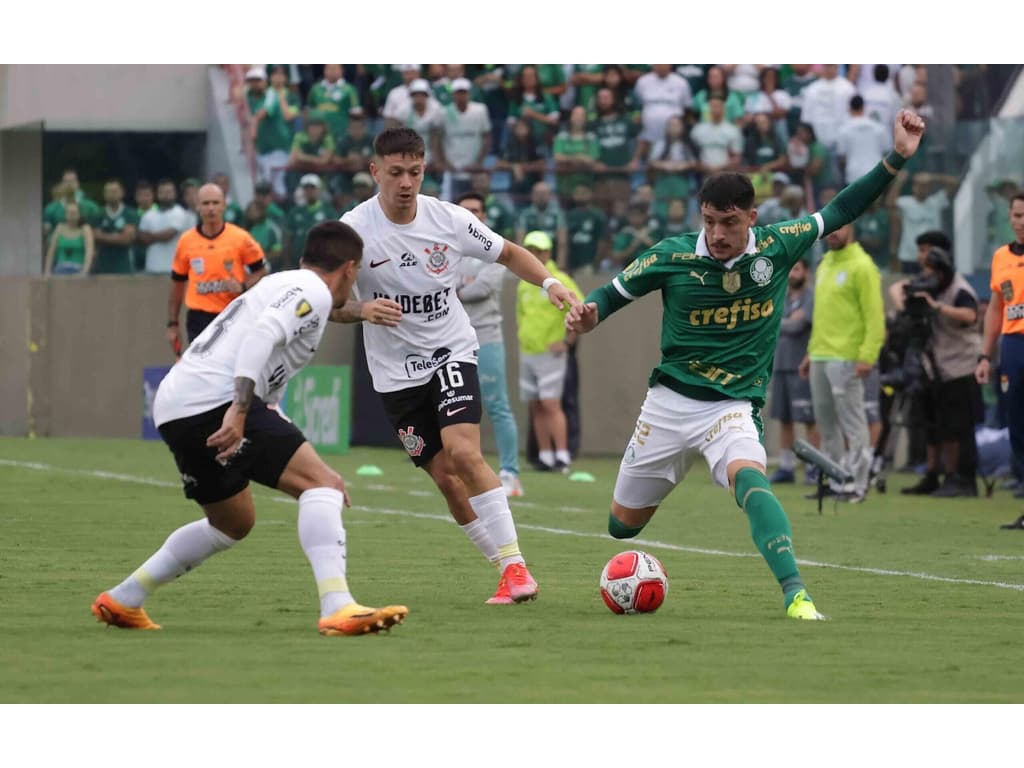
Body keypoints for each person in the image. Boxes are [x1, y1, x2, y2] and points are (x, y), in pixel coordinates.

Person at [566, 109, 926, 621]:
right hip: (668, 404)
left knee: (750, 477)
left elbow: (842, 208)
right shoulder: (672, 256)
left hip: (732, 406)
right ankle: (667, 476)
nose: (717, 233)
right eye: (709, 221)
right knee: (621, 528)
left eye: (729, 222)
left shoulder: (778, 246)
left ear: (751, 218)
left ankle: (796, 594)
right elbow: (611, 294)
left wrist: (897, 158)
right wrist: (589, 314)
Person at [91, 221, 408, 636]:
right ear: (351, 269)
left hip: (176, 403)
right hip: (217, 401)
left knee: (231, 523)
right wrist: (239, 411)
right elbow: (261, 337)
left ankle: (124, 599)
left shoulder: (286, 284)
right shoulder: (312, 291)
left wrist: (361, 311)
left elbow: (308, 320)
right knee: (323, 487)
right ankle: (338, 606)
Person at [335, 127, 580, 604]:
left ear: (425, 170)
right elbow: (325, 301)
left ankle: (517, 568)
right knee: (446, 477)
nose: (406, 183)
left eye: (415, 172)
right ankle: (504, 569)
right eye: (395, 173)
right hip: (393, 373)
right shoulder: (353, 231)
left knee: (465, 455)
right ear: (375, 172)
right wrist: (361, 310)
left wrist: (550, 285)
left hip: (451, 350)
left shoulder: (448, 220)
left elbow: (509, 253)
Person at [799, 222, 885, 503]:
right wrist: (810, 353)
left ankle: (857, 484)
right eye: (830, 227)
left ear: (852, 226)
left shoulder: (863, 266)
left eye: (839, 226)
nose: (833, 232)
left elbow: (874, 317)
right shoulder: (825, 264)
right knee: (826, 425)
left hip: (847, 357)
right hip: (821, 355)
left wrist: (867, 355)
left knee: (853, 422)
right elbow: (823, 315)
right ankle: (836, 481)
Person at [887, 244, 982, 497]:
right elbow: (896, 289)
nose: (928, 277)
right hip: (934, 365)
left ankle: (959, 478)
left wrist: (936, 306)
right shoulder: (927, 285)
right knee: (933, 424)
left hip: (961, 366)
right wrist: (905, 301)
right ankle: (932, 475)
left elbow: (970, 315)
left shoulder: (960, 289)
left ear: (943, 271)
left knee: (956, 426)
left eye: (932, 272)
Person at [455, 191, 523, 497]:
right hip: (452, 337)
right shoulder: (446, 248)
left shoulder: (494, 248)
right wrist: (459, 286)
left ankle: (510, 473)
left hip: (485, 335)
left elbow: (481, 289)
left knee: (497, 405)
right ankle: (464, 470)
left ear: (484, 215)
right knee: (454, 407)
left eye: (477, 210)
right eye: (466, 209)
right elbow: (440, 284)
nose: (472, 214)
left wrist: (457, 286)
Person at [167, 183, 268, 355]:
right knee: (202, 369)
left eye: (215, 203)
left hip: (233, 313)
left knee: (231, 367)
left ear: (223, 205)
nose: (211, 208)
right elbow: (177, 285)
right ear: (198, 206)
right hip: (199, 317)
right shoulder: (186, 241)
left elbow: (261, 272)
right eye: (206, 203)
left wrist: (243, 286)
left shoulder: (240, 238)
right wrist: (172, 324)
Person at [977, 190, 1024, 529]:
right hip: (1012, 345)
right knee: (1017, 426)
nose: (1021, 222)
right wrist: (984, 354)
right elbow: (996, 308)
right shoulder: (1001, 257)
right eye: (1017, 215)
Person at [518, 230, 582, 473]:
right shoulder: (523, 281)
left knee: (551, 404)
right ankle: (545, 455)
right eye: (531, 250)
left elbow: (579, 308)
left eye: (540, 250)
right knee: (536, 404)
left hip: (551, 352)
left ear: (548, 252)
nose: (536, 255)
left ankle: (562, 455)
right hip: (528, 351)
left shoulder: (560, 279)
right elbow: (520, 315)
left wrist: (568, 342)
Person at [768, 256, 820, 484]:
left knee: (808, 418)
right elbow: (770, 322)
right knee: (784, 418)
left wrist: (781, 321)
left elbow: (798, 325)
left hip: (801, 367)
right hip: (779, 365)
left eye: (797, 269)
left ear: (806, 272)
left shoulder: (811, 297)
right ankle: (786, 467)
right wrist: (786, 320)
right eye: (790, 269)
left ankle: (813, 467)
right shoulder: (781, 297)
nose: (792, 274)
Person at [93, 180, 139, 275]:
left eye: (114, 191)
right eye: (108, 192)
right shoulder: (98, 214)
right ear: (104, 194)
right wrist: (118, 236)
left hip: (124, 266)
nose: (111, 194)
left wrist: (103, 236)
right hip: (102, 266)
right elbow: (95, 237)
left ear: (122, 193)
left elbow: (127, 240)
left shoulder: (130, 214)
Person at [43, 201, 94, 276]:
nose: (71, 216)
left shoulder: (85, 229)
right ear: (65, 214)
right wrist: (47, 272)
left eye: (74, 213)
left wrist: (84, 272)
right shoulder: (59, 228)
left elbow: (89, 252)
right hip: (60, 269)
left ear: (79, 215)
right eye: (69, 213)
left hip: (78, 269)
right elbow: (51, 252)